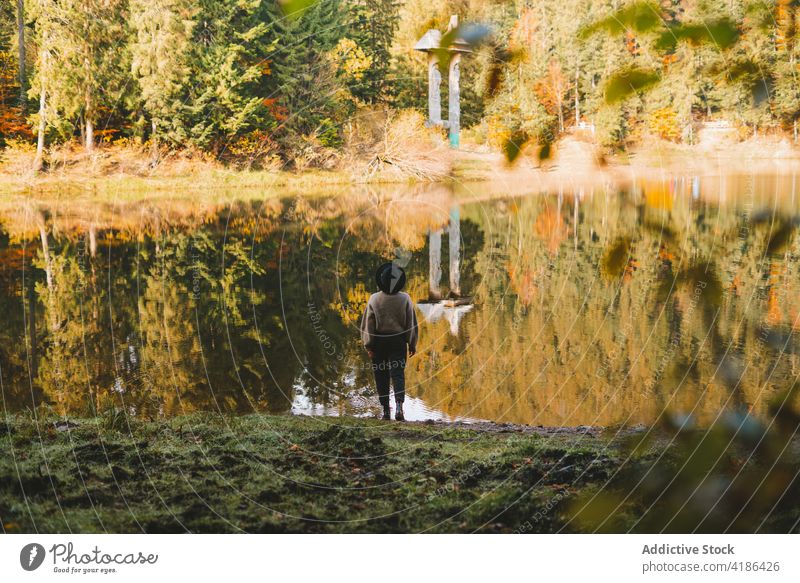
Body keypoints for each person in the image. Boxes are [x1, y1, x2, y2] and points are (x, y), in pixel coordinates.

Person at [360, 262, 419, 421]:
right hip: (398, 342)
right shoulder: (405, 298)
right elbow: (410, 323)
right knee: (398, 374)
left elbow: (368, 324)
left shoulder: (374, 298)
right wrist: (412, 343)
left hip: (379, 342)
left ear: (381, 281)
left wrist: (369, 345)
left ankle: (386, 410)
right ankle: (399, 407)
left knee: (381, 375)